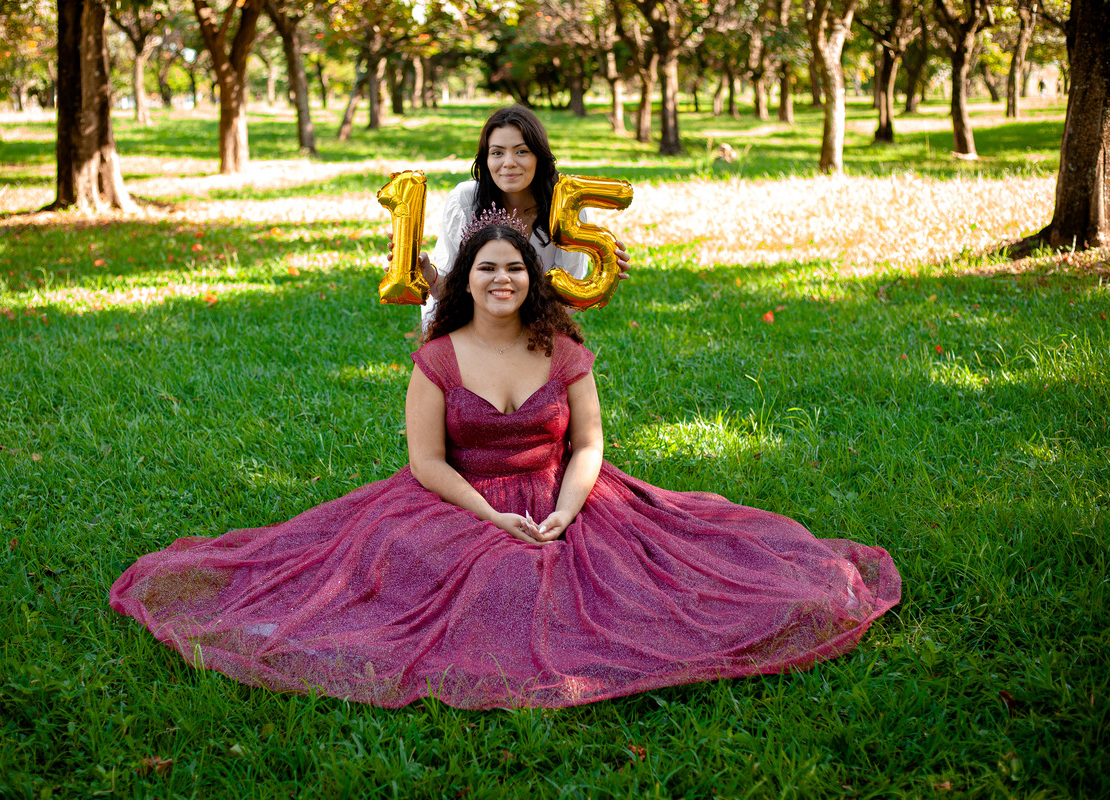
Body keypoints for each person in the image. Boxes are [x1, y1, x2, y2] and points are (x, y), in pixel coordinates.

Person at [110, 214, 901, 710]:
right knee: (432, 575)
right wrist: (489, 515)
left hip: (568, 494)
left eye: (514, 268)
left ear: (533, 279)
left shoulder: (564, 349)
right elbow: (426, 461)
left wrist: (565, 509)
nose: (501, 278)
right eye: (487, 268)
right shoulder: (437, 357)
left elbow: (589, 444)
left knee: (645, 584)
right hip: (456, 498)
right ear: (467, 279)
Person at [398, 104, 631, 327]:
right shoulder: (465, 201)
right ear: (486, 159)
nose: (509, 163)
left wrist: (602, 278)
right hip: (469, 325)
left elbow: (566, 304)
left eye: (522, 151)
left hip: (538, 327)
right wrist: (427, 273)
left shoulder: (567, 209)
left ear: (539, 156)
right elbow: (447, 291)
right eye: (497, 152)